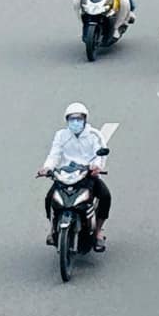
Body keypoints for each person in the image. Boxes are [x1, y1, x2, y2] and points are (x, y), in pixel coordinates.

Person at [39, 101, 111, 252]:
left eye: (79, 119)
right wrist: (47, 168)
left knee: (105, 196)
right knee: (49, 198)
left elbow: (100, 152)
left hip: (87, 176)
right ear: (67, 120)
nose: (75, 122)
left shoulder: (94, 135)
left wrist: (97, 167)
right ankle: (53, 229)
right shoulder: (61, 135)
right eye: (72, 119)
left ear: (85, 119)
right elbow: (54, 154)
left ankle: (98, 232)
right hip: (65, 176)